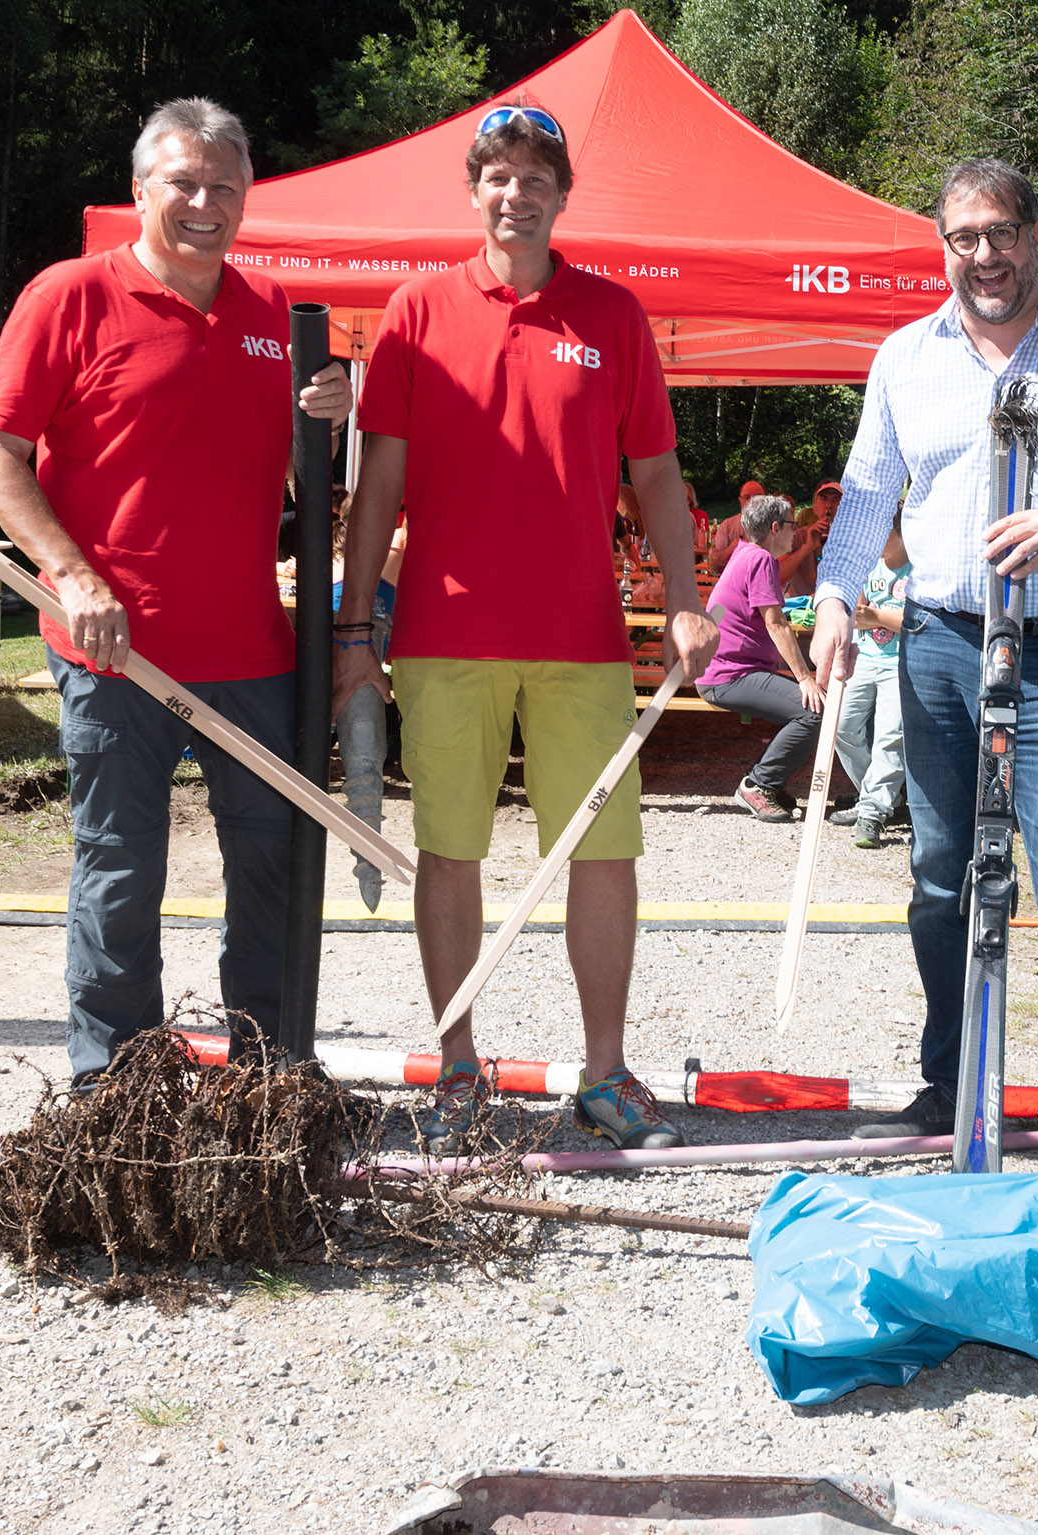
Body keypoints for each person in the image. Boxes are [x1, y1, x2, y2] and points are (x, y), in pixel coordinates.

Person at [332, 101, 717, 1153]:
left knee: (602, 856)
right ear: (473, 189)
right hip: (444, 635)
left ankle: (603, 1071)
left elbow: (656, 475)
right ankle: (459, 1067)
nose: (517, 192)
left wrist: (685, 598)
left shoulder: (613, 315)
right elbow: (379, 488)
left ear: (560, 195)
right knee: (448, 852)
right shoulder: (416, 310)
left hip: (585, 639)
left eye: (536, 176)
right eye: (498, 175)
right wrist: (351, 628)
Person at [0, 99, 351, 1086]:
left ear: (247, 194)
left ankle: (264, 1075)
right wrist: (72, 573)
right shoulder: (70, 295)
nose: (205, 202)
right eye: (183, 182)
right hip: (113, 643)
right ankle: (118, 1086)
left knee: (272, 864)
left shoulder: (279, 320)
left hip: (253, 649)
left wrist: (332, 421)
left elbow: (315, 491)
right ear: (141, 189)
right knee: (123, 870)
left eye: (225, 185)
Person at [809, 158, 1038, 1172]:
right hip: (937, 644)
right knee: (939, 876)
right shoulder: (903, 356)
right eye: (964, 237)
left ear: (1035, 234)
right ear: (942, 244)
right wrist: (836, 598)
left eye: (1002, 232)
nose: (985, 256)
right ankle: (951, 1083)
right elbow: (866, 497)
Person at [694, 495, 826, 821]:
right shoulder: (761, 560)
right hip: (729, 675)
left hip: (726, 672)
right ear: (775, 527)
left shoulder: (746, 553)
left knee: (806, 708)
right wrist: (805, 678)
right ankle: (759, 784)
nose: (796, 533)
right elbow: (776, 623)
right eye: (793, 525)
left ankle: (769, 781)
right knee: (813, 711)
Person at [826, 518, 909, 848]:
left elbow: (918, 622)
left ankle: (872, 814)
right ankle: (884, 799)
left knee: (890, 738)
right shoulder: (868, 564)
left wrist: (875, 617)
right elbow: (852, 609)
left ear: (902, 531)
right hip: (866, 659)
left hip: (900, 665)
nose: (875, 539)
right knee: (840, 726)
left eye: (883, 532)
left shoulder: (918, 568)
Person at [777, 480, 841, 599]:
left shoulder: (850, 540)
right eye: (824, 499)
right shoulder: (797, 536)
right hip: (801, 611)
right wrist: (807, 547)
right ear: (815, 508)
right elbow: (777, 576)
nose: (829, 505)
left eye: (836, 500)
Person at [706, 479, 767, 575]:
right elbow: (713, 566)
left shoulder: (776, 526)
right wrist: (730, 550)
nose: (752, 502)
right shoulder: (727, 526)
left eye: (758, 497)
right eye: (747, 498)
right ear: (740, 501)